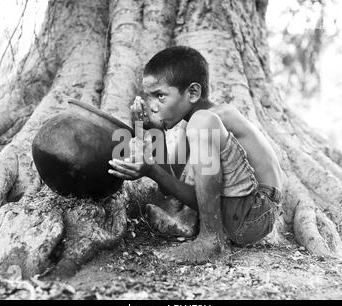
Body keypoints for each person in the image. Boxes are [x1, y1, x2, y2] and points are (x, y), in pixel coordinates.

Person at [108, 46, 283, 264]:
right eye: (148, 97)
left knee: (201, 122)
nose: (152, 106)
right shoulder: (193, 128)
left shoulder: (213, 118)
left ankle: (211, 241)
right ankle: (203, 231)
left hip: (257, 209)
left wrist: (151, 168)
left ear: (193, 92)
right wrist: (153, 131)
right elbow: (172, 189)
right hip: (238, 216)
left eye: (160, 96)